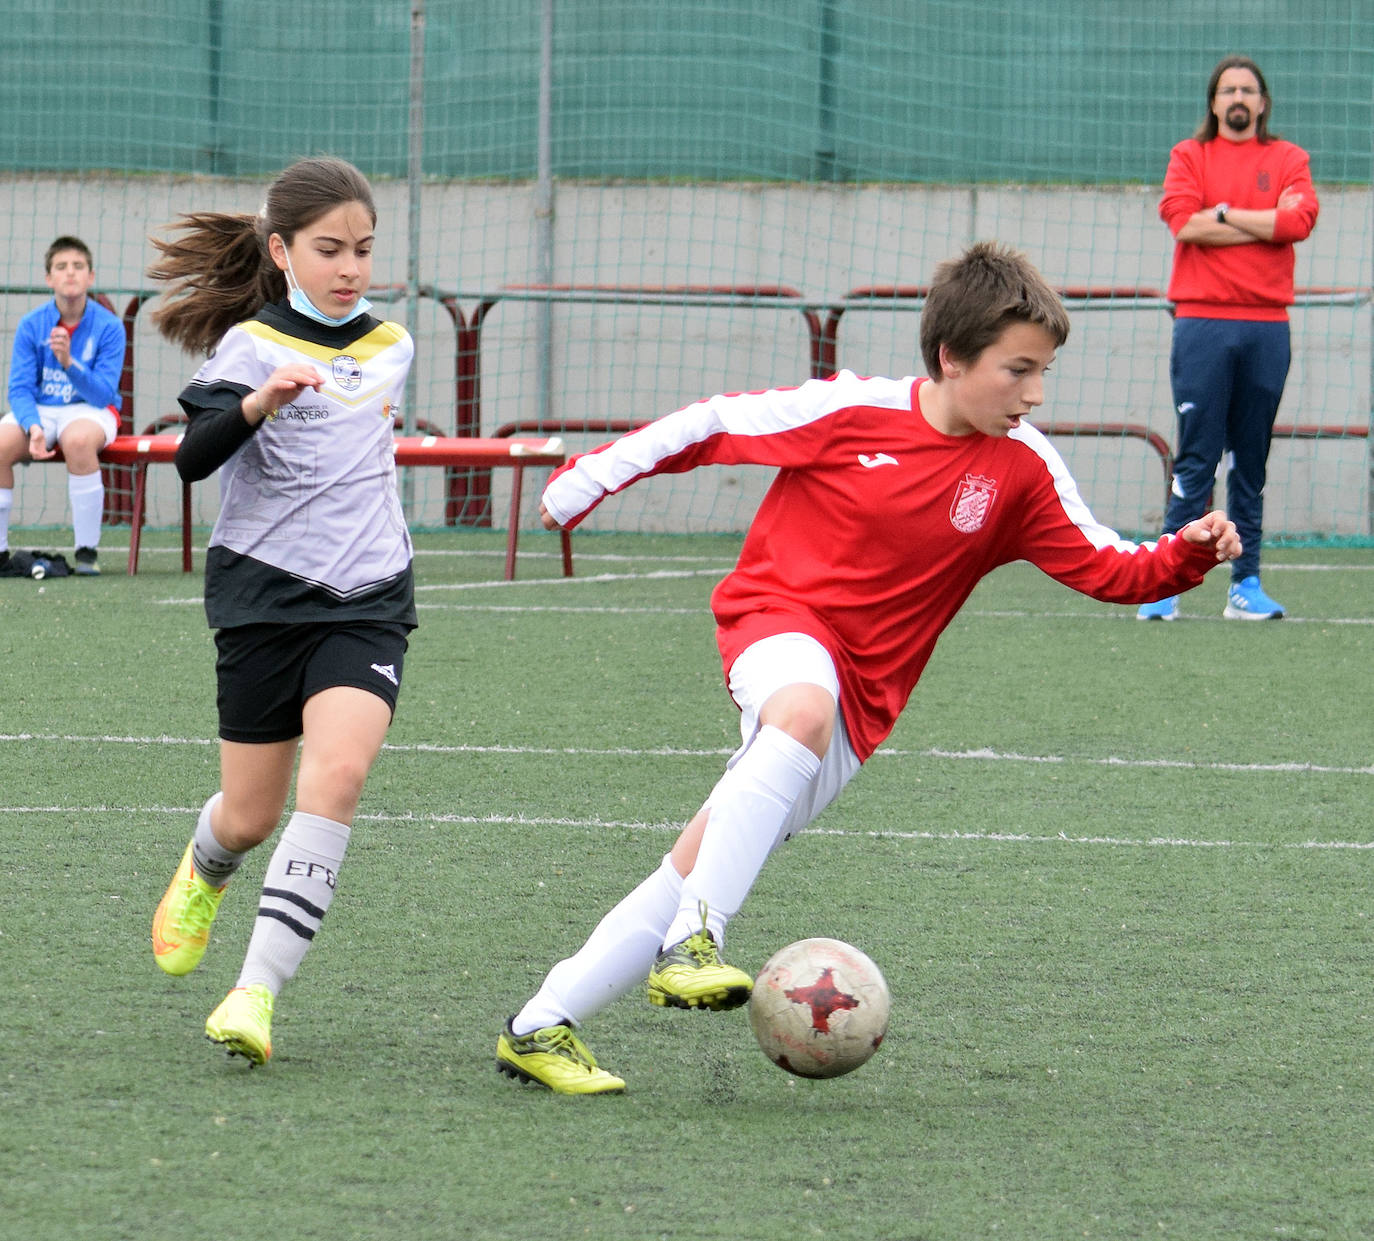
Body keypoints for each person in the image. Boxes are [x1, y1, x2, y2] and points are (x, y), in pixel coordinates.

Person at [494, 242, 1243, 1095]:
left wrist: (1187, 553)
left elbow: (1111, 566)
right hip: (775, 624)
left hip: (863, 710)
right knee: (798, 715)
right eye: (1018, 370)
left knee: (688, 867)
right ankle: (696, 942)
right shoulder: (852, 410)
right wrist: (586, 479)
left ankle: (540, 1024)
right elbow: (711, 424)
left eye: (1045, 372)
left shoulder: (1023, 468)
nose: (1035, 393)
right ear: (951, 357)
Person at [146, 156, 416, 1067]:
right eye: (329, 249)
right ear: (281, 250)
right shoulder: (251, 347)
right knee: (249, 816)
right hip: (263, 601)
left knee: (335, 779)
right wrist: (260, 403)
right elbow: (192, 460)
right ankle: (205, 866)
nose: (350, 267)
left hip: (369, 599)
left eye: (364, 250)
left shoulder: (394, 345)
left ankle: (254, 992)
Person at [1137, 55, 1318, 622]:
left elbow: (1297, 224)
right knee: (1196, 458)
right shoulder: (1189, 156)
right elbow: (1183, 222)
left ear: (1262, 103)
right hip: (1202, 323)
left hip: (1267, 326)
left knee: (1251, 459)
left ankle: (1246, 584)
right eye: (1227, 89)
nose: (1238, 98)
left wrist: (1223, 214)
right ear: (1213, 102)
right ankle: (1164, 585)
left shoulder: (1289, 158)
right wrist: (1260, 218)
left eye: (1248, 90)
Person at [0, 236, 126, 576]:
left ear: (91, 276)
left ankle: (86, 553)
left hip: (91, 410)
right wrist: (33, 426)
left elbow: (103, 394)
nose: (70, 273)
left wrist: (68, 362)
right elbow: (20, 388)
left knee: (78, 441)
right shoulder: (31, 324)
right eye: (61, 267)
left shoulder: (110, 326)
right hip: (42, 410)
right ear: (49, 279)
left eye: (78, 267)